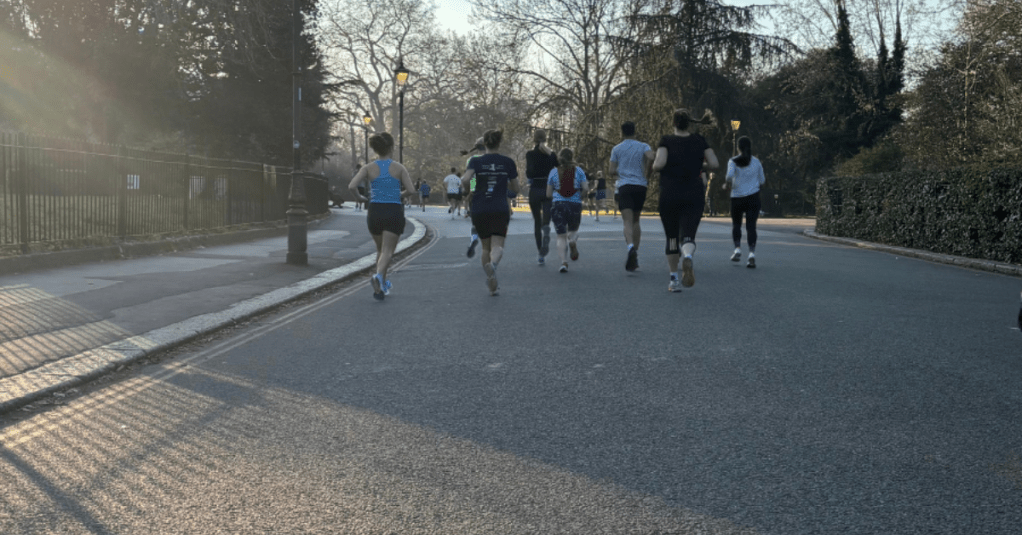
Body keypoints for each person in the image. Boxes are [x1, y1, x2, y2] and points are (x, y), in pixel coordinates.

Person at [651, 109, 719, 292]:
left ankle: (674, 280)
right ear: (690, 123)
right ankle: (687, 255)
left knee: (672, 237)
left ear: (673, 123)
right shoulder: (699, 140)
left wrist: (655, 163)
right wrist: (698, 164)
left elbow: (659, 164)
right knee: (688, 234)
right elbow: (714, 164)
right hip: (693, 193)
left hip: (670, 193)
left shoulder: (666, 141)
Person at [349, 132, 415, 300]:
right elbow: (411, 190)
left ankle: (381, 287)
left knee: (380, 250)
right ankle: (378, 277)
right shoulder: (399, 167)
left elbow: (352, 186)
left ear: (375, 149)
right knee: (387, 250)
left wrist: (360, 198)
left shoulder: (367, 168)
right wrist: (397, 195)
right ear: (391, 147)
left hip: (375, 211)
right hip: (393, 210)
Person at [461, 130, 519, 295]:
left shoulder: (475, 161)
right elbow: (516, 188)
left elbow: (465, 180)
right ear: (499, 143)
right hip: (500, 207)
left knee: (485, 247)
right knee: (498, 245)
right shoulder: (507, 162)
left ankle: (492, 287)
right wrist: (502, 184)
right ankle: (492, 266)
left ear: (484, 143)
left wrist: (469, 190)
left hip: (480, 208)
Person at [609, 121, 655, 272]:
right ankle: (636, 252)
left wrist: (622, 170)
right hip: (640, 186)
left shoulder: (616, 148)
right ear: (635, 131)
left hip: (625, 186)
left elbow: (611, 170)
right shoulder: (643, 146)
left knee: (627, 221)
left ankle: (630, 248)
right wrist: (647, 172)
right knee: (636, 220)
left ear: (622, 132)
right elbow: (652, 156)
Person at [723, 136, 766, 268]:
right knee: (751, 227)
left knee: (736, 224)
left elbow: (729, 176)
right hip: (753, 197)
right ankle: (751, 254)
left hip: (737, 197)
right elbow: (762, 180)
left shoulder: (733, 161)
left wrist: (728, 183)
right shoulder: (757, 162)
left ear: (738, 148)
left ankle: (737, 249)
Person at [546, 147, 588, 273]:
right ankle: (572, 240)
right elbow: (585, 188)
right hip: (574, 204)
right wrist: (580, 197)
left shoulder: (553, 172)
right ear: (572, 157)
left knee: (560, 235)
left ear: (559, 158)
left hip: (558, 204)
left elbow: (548, 194)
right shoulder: (579, 170)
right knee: (573, 230)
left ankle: (564, 262)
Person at [524, 129, 558, 265]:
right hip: (548, 188)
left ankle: (540, 254)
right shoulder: (552, 155)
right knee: (545, 218)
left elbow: (529, 173)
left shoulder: (530, 154)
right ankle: (546, 227)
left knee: (536, 222)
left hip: (535, 188)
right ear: (545, 139)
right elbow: (558, 168)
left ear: (534, 139)